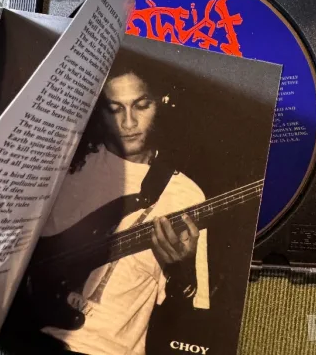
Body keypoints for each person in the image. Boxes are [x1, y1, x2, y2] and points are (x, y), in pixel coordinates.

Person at [41, 57, 210, 355]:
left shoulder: (186, 194)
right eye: (114, 109)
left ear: (160, 104)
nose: (128, 123)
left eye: (141, 106)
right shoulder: (66, 169)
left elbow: (191, 311)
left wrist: (179, 267)